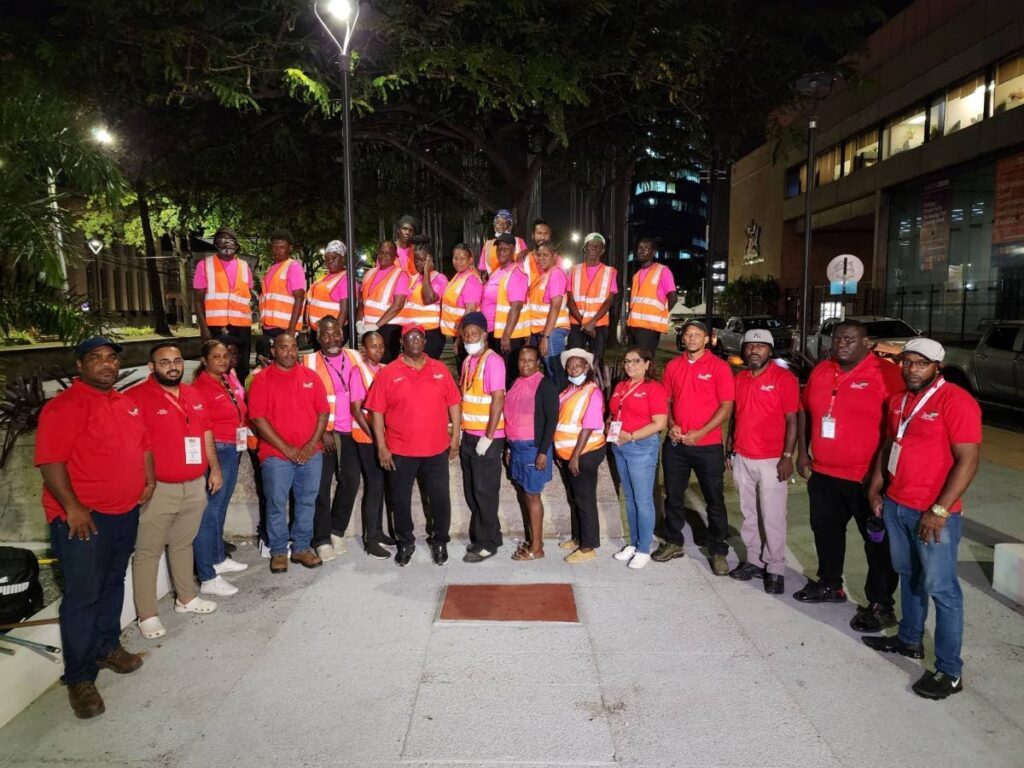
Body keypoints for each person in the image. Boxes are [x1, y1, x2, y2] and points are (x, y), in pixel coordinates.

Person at [35, 337, 154, 719]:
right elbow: (51, 460)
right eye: (95, 358)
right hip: (84, 517)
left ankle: (107, 646)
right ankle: (80, 678)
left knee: (112, 582)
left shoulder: (126, 402)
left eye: (110, 358)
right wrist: (72, 507)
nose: (105, 364)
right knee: (83, 595)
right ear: (81, 366)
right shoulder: (64, 407)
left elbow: (143, 445)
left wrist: (147, 480)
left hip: (124, 512)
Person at [864, 338, 981, 700]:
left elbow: (968, 461)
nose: (911, 368)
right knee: (909, 576)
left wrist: (940, 510)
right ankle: (910, 639)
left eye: (921, 364)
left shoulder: (956, 401)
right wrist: (877, 487)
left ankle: (949, 671)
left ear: (937, 368)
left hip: (934, 514)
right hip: (897, 505)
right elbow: (890, 445)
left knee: (943, 590)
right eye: (907, 362)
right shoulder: (898, 401)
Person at [796, 318, 903, 633]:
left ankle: (881, 604)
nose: (842, 344)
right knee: (825, 532)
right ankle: (831, 584)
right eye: (838, 338)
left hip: (866, 478)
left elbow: (897, 428)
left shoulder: (885, 374)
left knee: (877, 544)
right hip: (825, 473)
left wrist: (880, 475)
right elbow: (806, 411)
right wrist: (803, 453)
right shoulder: (821, 369)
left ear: (866, 342)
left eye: (850, 339)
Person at [128, 342, 221, 640]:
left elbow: (206, 431)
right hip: (159, 489)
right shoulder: (136, 398)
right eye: (165, 362)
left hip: (194, 484)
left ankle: (186, 597)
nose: (172, 366)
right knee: (148, 552)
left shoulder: (193, 394)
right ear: (151, 367)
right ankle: (147, 614)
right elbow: (132, 446)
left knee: (183, 543)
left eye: (177, 361)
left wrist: (214, 468)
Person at [365, 324, 462, 567]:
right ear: (402, 342)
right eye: (411, 337)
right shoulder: (388, 373)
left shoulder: (440, 369)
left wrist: (455, 437)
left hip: (436, 448)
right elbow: (376, 412)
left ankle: (440, 540)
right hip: (400, 450)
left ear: (425, 341)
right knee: (400, 500)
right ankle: (405, 542)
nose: (416, 340)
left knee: (440, 498)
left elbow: (454, 404)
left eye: (420, 336)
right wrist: (381, 447)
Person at [653, 319, 734, 575]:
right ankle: (674, 541)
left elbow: (726, 407)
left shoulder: (719, 367)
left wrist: (701, 432)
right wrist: (673, 425)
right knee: (673, 496)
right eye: (688, 334)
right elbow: (665, 400)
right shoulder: (674, 366)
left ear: (707, 338)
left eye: (697, 334)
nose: (691, 339)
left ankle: (718, 549)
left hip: (707, 445)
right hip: (676, 444)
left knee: (714, 500)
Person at [247, 332, 330, 574]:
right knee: (276, 503)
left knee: (306, 502)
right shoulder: (262, 380)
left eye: (294, 347)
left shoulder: (310, 377)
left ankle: (302, 547)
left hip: (310, 453)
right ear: (273, 351)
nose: (289, 352)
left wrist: (309, 445)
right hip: (276, 456)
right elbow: (258, 419)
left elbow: (323, 412)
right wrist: (287, 449)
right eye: (284, 348)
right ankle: (279, 551)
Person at [726, 330, 799, 594]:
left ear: (770, 350)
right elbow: (735, 415)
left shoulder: (784, 378)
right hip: (742, 456)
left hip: (772, 459)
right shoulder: (741, 377)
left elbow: (792, 419)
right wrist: (729, 448)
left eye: (760, 346)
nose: (754, 351)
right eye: (750, 346)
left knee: (773, 516)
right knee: (749, 514)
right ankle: (754, 560)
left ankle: (775, 567)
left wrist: (788, 456)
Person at [301, 316, 364, 562]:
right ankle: (322, 539)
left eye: (336, 333)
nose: (332, 338)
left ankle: (337, 530)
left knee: (351, 481)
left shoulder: (355, 356)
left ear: (343, 334)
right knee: (321, 487)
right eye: (326, 334)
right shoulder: (308, 362)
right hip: (323, 434)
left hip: (351, 431)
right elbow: (304, 404)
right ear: (318, 338)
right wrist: (322, 430)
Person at [191, 340, 250, 598]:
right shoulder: (199, 388)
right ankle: (206, 573)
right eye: (216, 356)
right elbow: (199, 426)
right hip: (218, 449)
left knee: (221, 506)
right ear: (205, 361)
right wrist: (211, 461)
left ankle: (217, 557)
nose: (223, 360)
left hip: (233, 447)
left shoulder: (227, 380)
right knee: (210, 511)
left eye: (225, 355)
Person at [607, 346, 669, 570]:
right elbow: (615, 412)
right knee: (630, 498)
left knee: (643, 500)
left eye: (635, 361)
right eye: (626, 362)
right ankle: (634, 543)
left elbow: (659, 423)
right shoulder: (621, 386)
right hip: (620, 446)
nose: (630, 365)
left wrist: (631, 435)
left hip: (641, 446)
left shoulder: (653, 388)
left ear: (647, 364)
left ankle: (644, 548)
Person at [458, 312, 507, 562]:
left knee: (484, 491)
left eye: (473, 334)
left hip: (487, 439)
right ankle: (491, 534)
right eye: (466, 335)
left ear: (485, 335)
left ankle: (486, 543)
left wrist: (488, 437)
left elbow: (498, 398)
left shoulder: (493, 361)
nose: (469, 338)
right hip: (469, 435)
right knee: (471, 491)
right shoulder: (468, 362)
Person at [503, 346, 559, 560]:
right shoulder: (516, 382)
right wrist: (509, 446)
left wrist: (543, 452)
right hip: (516, 447)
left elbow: (551, 421)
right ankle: (536, 540)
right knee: (525, 494)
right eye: (521, 360)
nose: (525, 364)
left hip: (533, 448)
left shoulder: (545, 385)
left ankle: (537, 549)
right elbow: (512, 416)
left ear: (538, 363)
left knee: (533, 495)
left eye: (530, 360)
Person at [555, 348, 607, 563]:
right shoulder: (569, 390)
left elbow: (588, 426)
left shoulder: (592, 392)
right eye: (570, 365)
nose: (573, 368)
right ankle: (578, 537)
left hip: (585, 452)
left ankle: (588, 547)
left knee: (585, 499)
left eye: (578, 365)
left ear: (587, 367)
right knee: (575, 498)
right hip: (568, 454)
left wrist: (575, 456)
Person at [349, 330, 396, 559]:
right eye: (373, 347)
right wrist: (378, 440)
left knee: (383, 486)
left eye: (380, 346)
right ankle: (371, 539)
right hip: (367, 438)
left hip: (384, 438)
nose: (378, 350)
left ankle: (379, 531)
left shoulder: (387, 369)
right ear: (363, 350)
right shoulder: (358, 371)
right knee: (374, 486)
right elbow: (357, 410)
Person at [193, 226, 253, 381]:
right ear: (215, 242)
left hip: (241, 328)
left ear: (236, 244)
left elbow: (247, 296)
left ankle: (240, 401)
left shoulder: (245, 266)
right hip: (215, 328)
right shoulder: (204, 265)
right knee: (216, 370)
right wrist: (203, 328)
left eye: (230, 239)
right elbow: (198, 300)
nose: (226, 243)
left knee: (242, 369)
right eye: (222, 239)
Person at [566, 232, 618, 375]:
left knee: (597, 360)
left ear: (602, 250)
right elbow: (570, 301)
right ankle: (576, 390)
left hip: (598, 325)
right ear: (584, 248)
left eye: (597, 246)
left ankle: (597, 391)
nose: (593, 249)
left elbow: (609, 301)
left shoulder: (610, 272)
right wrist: (584, 323)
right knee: (575, 359)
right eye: (590, 246)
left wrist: (592, 322)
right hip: (578, 324)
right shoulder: (574, 270)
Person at [483, 232, 529, 388]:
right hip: (493, 331)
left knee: (509, 376)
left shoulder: (516, 273)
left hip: (507, 336)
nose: (501, 252)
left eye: (505, 249)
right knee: (498, 374)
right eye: (499, 249)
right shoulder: (497, 272)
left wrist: (506, 336)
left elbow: (516, 307)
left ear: (513, 251)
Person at [527, 241, 570, 390]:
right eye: (539, 255)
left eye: (546, 255)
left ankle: (562, 406)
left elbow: (555, 305)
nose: (541, 258)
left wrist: (546, 336)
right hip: (542, 331)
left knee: (554, 368)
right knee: (548, 370)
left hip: (553, 331)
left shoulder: (556, 274)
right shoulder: (544, 275)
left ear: (554, 256)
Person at [357, 240, 409, 362]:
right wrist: (359, 322)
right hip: (367, 328)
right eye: (381, 252)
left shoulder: (400, 275)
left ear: (395, 256)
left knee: (386, 366)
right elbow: (361, 301)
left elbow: (398, 305)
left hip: (389, 329)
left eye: (388, 253)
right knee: (369, 363)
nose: (383, 256)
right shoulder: (369, 273)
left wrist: (376, 325)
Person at [626, 237, 677, 357]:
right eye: (639, 248)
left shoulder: (663, 271)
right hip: (633, 327)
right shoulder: (636, 275)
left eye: (646, 248)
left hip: (649, 328)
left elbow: (673, 298)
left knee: (644, 362)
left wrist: (662, 315)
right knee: (634, 361)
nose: (641, 251)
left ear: (653, 252)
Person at [399, 239, 448, 359]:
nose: (418, 263)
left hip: (430, 334)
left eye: (422, 260)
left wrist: (427, 272)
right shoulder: (414, 278)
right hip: (411, 332)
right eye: (416, 259)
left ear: (429, 259)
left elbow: (428, 298)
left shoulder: (440, 278)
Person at [440, 242, 483, 370]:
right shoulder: (459, 276)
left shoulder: (471, 280)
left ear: (470, 260)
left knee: (466, 367)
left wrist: (459, 338)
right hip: (457, 333)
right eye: (455, 258)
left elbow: (470, 310)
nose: (458, 262)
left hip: (466, 334)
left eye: (462, 259)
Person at [257, 229, 306, 344]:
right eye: (275, 247)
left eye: (282, 247)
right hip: (269, 327)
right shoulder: (271, 269)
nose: (277, 250)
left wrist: (291, 329)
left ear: (290, 248)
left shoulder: (293, 267)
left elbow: (299, 298)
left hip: (285, 328)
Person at [306, 240, 349, 349]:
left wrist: (334, 335)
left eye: (334, 258)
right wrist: (309, 328)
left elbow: (344, 311)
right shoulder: (322, 279)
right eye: (327, 259)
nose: (330, 261)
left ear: (343, 258)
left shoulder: (345, 279)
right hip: (318, 332)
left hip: (329, 335)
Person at [478, 208, 528, 275]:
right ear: (494, 226)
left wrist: (526, 252)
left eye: (504, 222)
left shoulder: (519, 241)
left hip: (513, 280)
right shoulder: (488, 244)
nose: (501, 225)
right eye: (498, 222)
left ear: (510, 226)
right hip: (493, 281)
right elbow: (484, 270)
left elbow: (527, 260)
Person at [516, 218, 552, 283]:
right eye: (539, 233)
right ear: (533, 235)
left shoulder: (557, 260)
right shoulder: (524, 259)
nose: (542, 237)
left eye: (546, 234)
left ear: (550, 236)